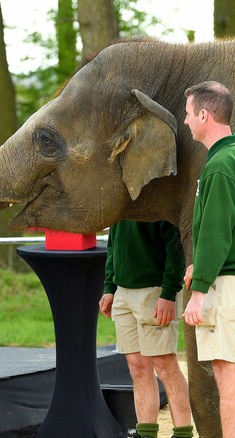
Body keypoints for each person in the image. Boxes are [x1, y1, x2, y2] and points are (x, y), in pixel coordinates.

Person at [99, 220, 193, 438]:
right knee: (137, 367)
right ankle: (146, 434)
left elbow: (176, 246)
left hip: (156, 291)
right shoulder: (120, 200)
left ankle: (183, 434)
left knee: (164, 365)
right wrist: (110, 287)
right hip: (123, 292)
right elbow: (113, 243)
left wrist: (169, 293)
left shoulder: (159, 195)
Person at [183, 80, 235, 438]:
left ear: (204, 115)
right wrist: (196, 265)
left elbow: (217, 232)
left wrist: (199, 290)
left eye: (188, 114)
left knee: (227, 376)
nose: (186, 122)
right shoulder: (228, 158)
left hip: (225, 286)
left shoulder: (219, 165)